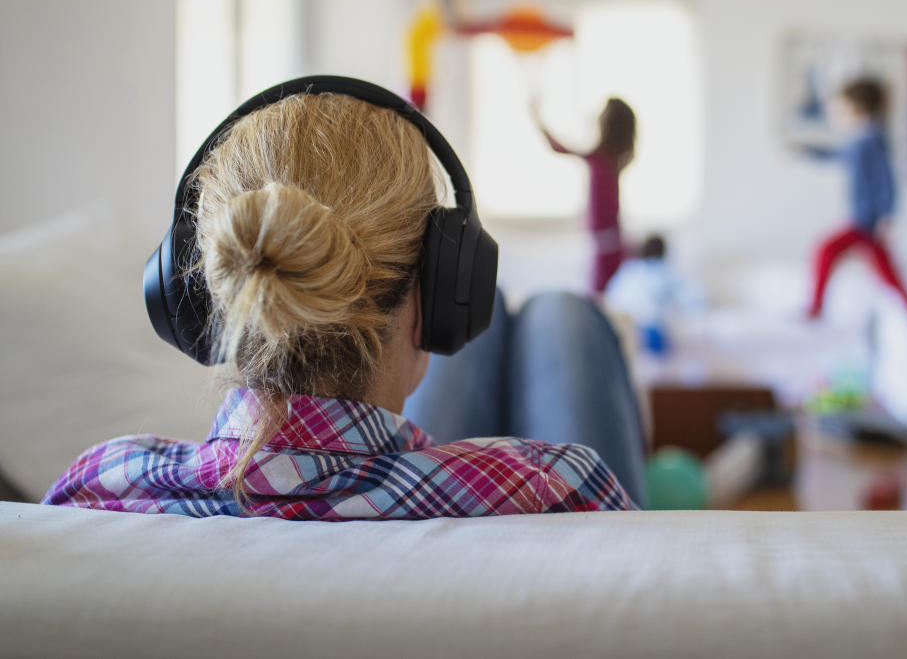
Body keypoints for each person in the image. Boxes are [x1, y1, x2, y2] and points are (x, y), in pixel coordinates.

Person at [43, 85, 645, 518]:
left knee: (557, 315)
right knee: (563, 315)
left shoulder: (96, 489)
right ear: (436, 301)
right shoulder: (562, 488)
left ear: (195, 298)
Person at [804, 77, 907, 324]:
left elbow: (886, 180)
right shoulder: (861, 138)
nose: (837, 114)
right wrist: (805, 151)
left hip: (867, 221)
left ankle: (815, 310)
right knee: (888, 274)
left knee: (826, 250)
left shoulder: (873, 139)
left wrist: (888, 215)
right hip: (863, 219)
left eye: (841, 108)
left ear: (856, 106)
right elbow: (836, 155)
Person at [533, 97, 636, 294]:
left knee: (603, 296)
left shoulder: (603, 158)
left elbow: (558, 147)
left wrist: (538, 119)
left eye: (603, 114)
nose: (599, 117)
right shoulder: (608, 159)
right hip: (605, 242)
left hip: (607, 244)